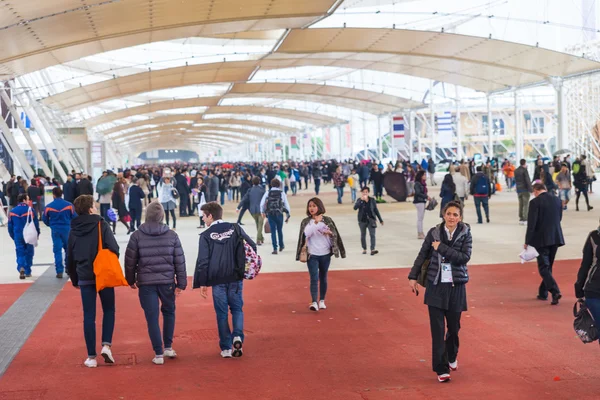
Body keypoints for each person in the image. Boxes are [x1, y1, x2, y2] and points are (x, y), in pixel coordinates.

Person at [408, 200, 472, 383]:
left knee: (453, 328)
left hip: (456, 287)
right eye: (448, 214)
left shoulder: (466, 233)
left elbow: (464, 258)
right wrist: (413, 277)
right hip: (436, 287)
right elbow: (422, 255)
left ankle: (451, 355)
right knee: (437, 330)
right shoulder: (434, 233)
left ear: (460, 217)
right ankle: (441, 368)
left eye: (455, 215)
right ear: (443, 215)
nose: (451, 217)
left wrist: (442, 248)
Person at [125, 202, 187, 365]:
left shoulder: (137, 235)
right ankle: (168, 346)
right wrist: (181, 283)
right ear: (162, 216)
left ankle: (158, 353)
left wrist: (130, 279)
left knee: (151, 317)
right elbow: (179, 261)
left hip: (146, 283)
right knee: (169, 312)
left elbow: (130, 261)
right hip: (167, 282)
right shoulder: (172, 235)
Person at [194, 202, 257, 358]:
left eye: (203, 216)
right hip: (235, 277)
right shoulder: (235, 228)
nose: (203, 219)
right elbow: (252, 245)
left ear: (210, 215)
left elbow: (203, 261)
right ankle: (237, 336)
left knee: (221, 314)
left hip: (217, 280)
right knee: (237, 309)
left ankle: (226, 347)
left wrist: (202, 283)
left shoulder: (205, 236)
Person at [67, 195, 120, 368]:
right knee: (109, 310)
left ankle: (91, 357)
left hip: (84, 277)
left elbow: (70, 258)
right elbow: (115, 248)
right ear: (90, 209)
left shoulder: (73, 230)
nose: (96, 208)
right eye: (94, 206)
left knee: (88, 315)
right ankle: (106, 345)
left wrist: (75, 279)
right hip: (103, 274)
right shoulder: (101, 224)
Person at [296, 197, 346, 311]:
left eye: (314, 206)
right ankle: (314, 302)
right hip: (312, 254)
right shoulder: (306, 222)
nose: (312, 208)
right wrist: (316, 223)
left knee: (323, 277)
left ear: (319, 207)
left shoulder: (327, 220)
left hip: (325, 254)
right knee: (314, 278)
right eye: (310, 206)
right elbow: (306, 234)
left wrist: (329, 233)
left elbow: (335, 234)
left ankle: (322, 300)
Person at [525, 182, 565, 305]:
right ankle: (543, 292)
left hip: (541, 239)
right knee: (549, 266)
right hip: (556, 237)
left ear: (536, 191)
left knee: (543, 268)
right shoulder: (557, 200)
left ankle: (554, 291)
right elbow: (559, 218)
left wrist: (528, 241)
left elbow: (532, 224)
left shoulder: (535, 203)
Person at [43, 187, 77, 278]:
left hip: (55, 230)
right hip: (67, 229)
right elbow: (75, 217)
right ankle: (68, 268)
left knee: (57, 250)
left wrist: (51, 225)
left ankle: (59, 271)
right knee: (68, 250)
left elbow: (45, 219)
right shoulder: (69, 205)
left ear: (53, 195)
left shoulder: (48, 207)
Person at [8, 193, 40, 279]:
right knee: (29, 252)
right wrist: (37, 233)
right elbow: (36, 224)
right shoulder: (31, 210)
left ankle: (21, 267)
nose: (29, 201)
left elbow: (10, 226)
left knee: (20, 252)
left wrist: (13, 236)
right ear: (24, 200)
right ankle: (28, 271)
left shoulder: (12, 212)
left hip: (17, 234)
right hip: (29, 234)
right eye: (28, 199)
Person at [575, 221, 600, 323]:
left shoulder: (593, 236)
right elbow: (585, 265)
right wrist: (579, 288)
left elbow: (585, 265)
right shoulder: (594, 236)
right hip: (594, 290)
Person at [260, 179, 291, 255]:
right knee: (280, 230)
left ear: (271, 184)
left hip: (270, 214)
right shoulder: (282, 193)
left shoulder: (268, 192)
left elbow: (262, 203)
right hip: (279, 214)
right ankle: (281, 245)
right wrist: (288, 215)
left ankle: (275, 248)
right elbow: (286, 204)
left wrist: (262, 212)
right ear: (279, 185)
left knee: (273, 231)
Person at [353, 187, 384, 255]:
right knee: (363, 235)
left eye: (366, 192)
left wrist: (380, 220)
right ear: (361, 193)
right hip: (362, 220)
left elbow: (376, 210)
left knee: (372, 235)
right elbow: (355, 208)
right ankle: (364, 248)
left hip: (371, 220)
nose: (365, 193)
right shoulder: (359, 200)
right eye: (363, 192)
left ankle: (372, 249)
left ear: (368, 193)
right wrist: (361, 201)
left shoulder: (372, 200)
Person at [237, 176, 265, 245]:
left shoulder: (250, 190)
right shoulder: (262, 190)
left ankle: (261, 238)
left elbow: (244, 199)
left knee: (258, 224)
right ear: (259, 182)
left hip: (252, 210)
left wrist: (238, 207)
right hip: (261, 210)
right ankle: (258, 239)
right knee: (260, 224)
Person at [514, 158, 533, 225]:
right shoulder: (524, 171)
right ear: (524, 163)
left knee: (521, 204)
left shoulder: (516, 171)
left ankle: (521, 218)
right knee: (526, 204)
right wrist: (531, 189)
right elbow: (527, 180)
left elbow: (516, 180)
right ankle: (525, 218)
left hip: (519, 189)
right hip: (525, 189)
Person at [414, 170, 429, 240]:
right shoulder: (417, 184)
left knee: (421, 218)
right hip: (419, 201)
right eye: (424, 175)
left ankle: (421, 232)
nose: (425, 176)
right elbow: (418, 193)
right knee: (420, 218)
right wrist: (426, 197)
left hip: (422, 201)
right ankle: (419, 233)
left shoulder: (423, 183)